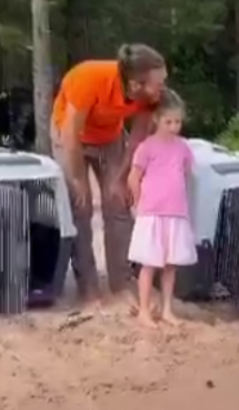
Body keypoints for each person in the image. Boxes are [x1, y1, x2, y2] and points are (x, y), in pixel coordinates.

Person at [51, 44, 168, 304]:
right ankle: (88, 286)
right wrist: (79, 181)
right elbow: (70, 133)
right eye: (158, 82)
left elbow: (138, 135)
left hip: (110, 138)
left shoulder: (150, 97)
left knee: (118, 201)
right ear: (137, 84)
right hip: (71, 136)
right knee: (80, 207)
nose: (163, 87)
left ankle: (122, 282)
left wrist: (122, 176)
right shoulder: (89, 78)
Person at [126, 90, 196, 326]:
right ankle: (144, 310)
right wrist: (137, 203)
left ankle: (167, 308)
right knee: (149, 263)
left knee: (170, 264)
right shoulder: (147, 147)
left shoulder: (183, 147)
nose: (174, 127)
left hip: (176, 212)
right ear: (156, 119)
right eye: (168, 122)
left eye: (177, 122)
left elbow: (186, 175)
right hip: (152, 212)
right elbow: (133, 178)